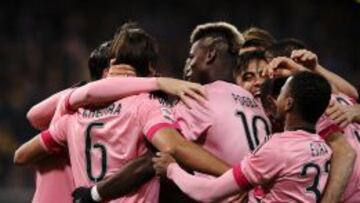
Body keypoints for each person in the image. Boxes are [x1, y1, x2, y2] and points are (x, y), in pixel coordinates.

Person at [14, 23, 229, 203]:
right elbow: (173, 146)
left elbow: (21, 155)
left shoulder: (74, 114)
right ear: (152, 67)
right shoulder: (146, 105)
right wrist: (234, 175)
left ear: (112, 63)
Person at [60, 22, 271, 202]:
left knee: (159, 164)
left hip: (230, 194)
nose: (187, 64)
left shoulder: (198, 97)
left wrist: (94, 194)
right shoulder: (254, 101)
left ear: (210, 55)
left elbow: (162, 152)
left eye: (191, 56)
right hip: (261, 194)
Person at [153, 71, 333, 203]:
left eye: (282, 92)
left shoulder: (277, 147)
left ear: (288, 103)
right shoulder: (323, 149)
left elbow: (209, 192)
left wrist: (171, 169)